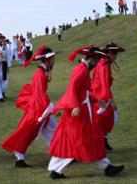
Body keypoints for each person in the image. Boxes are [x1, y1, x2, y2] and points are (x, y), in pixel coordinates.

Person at [47, 46, 124, 179]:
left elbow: (84, 92)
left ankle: (106, 167)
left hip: (82, 111)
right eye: (97, 60)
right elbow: (72, 89)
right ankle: (56, 170)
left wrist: (97, 101)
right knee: (79, 140)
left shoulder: (83, 69)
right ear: (93, 59)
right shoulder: (81, 70)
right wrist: (75, 105)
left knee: (89, 139)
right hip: (79, 113)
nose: (97, 63)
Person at [2, 46, 57, 168]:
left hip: (40, 108)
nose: (54, 60)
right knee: (27, 132)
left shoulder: (43, 72)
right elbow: (40, 95)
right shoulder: (40, 74)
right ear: (47, 60)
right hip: (38, 109)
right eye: (52, 58)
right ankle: (20, 158)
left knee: (50, 130)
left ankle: (60, 154)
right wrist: (49, 109)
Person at [91, 43, 125, 151]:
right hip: (100, 95)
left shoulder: (103, 63)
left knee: (106, 119)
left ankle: (103, 141)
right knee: (109, 117)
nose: (115, 56)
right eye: (114, 53)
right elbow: (104, 83)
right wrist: (111, 101)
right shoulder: (104, 64)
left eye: (116, 54)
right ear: (108, 53)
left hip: (100, 93)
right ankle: (100, 142)